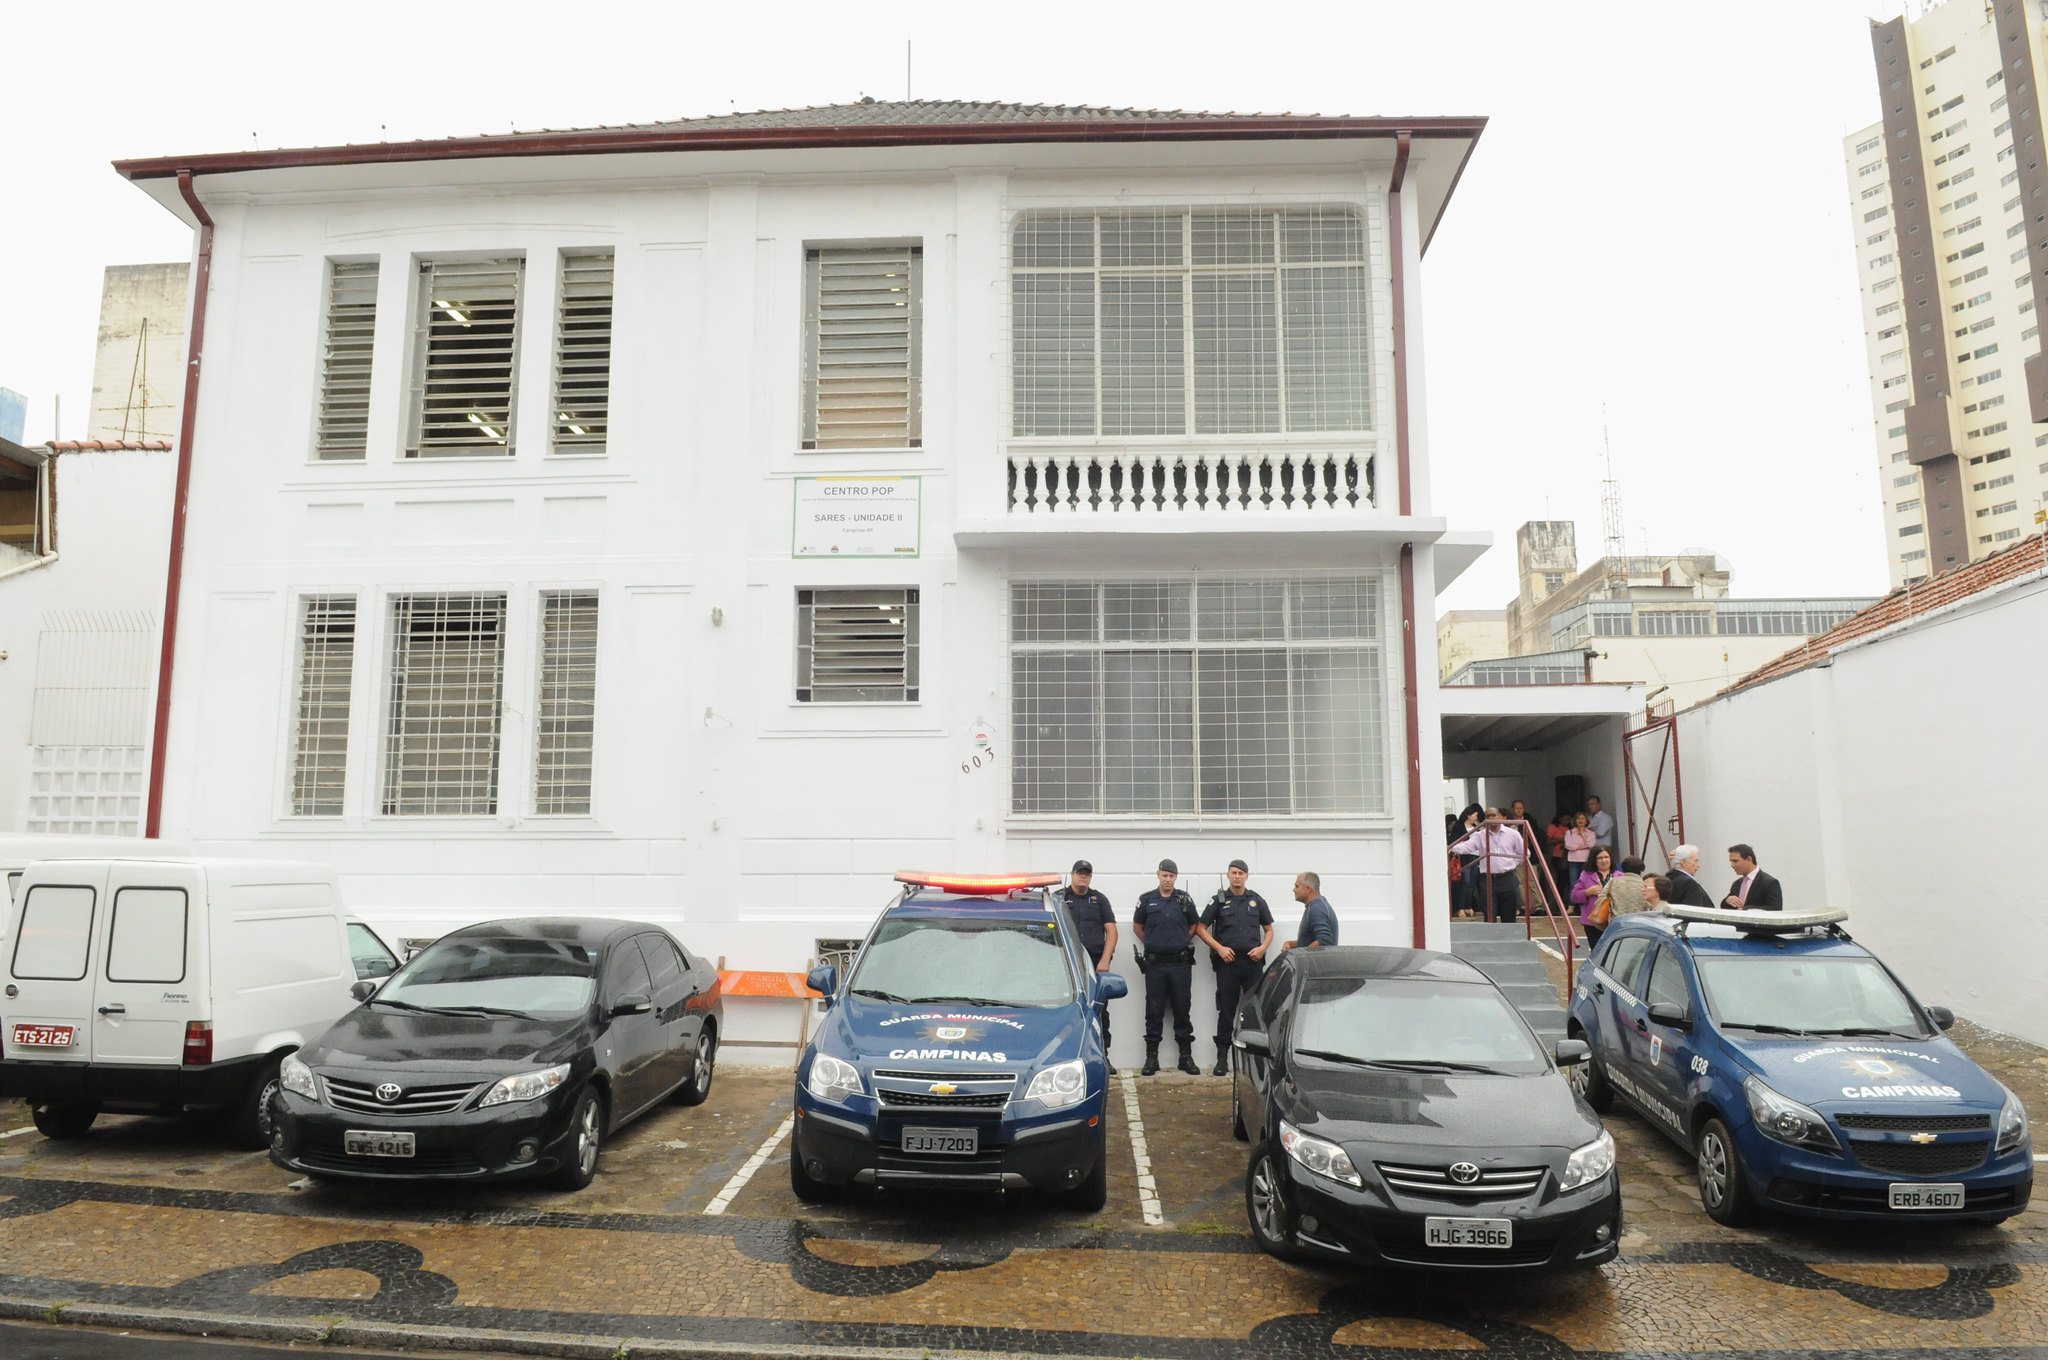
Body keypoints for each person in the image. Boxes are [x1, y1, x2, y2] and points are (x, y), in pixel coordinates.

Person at [1196, 859, 1274, 1077]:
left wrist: (1262, 948)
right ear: (1228, 875)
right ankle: (1222, 1058)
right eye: (1234, 872)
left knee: (1254, 1011)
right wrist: (1219, 948)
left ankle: (1255, 1061)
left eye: (1241, 873)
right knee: (1226, 1010)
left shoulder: (1256, 900)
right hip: (1228, 963)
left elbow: (1269, 930)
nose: (1237, 876)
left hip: (1252, 963)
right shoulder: (1219, 901)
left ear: (1247, 876)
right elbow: (1201, 929)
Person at [1131, 859, 1201, 1075]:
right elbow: (1137, 927)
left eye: (1171, 876)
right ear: (1158, 875)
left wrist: (1180, 940)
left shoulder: (1184, 899)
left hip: (1180, 964)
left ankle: (1185, 1057)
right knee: (1154, 1011)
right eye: (1164, 875)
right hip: (1155, 965)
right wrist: (1154, 943)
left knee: (1182, 1009)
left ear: (1175, 878)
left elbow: (1194, 925)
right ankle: (1152, 1058)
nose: (1168, 879)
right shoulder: (1147, 900)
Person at [1060, 860, 1119, 1076]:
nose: (1083, 877)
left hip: (1094, 963)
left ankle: (1103, 1055)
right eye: (1080, 873)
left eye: (1087, 874)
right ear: (1072, 874)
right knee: (1065, 1010)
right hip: (1065, 964)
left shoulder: (1099, 899)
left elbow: (1111, 931)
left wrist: (1105, 960)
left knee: (1099, 1010)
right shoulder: (1060, 898)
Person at [1450, 810, 1525, 925]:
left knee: (1509, 915)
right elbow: (1467, 846)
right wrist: (1451, 847)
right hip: (1488, 880)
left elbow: (1524, 852)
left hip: (1507, 877)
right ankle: (1493, 939)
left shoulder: (1512, 834)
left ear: (1499, 817)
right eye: (1488, 816)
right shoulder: (1480, 835)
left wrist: (1511, 864)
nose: (1491, 818)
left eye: (1493, 815)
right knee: (1489, 914)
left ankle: (1508, 940)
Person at [1572, 846, 1618, 947]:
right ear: (1594, 860)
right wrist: (1587, 892)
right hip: (1593, 922)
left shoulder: (1620, 876)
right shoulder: (1586, 875)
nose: (1604, 860)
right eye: (1600, 858)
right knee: (1597, 950)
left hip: (1615, 919)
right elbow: (1574, 896)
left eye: (1606, 857)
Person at [1283, 872, 1338, 952]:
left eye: (1297, 886)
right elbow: (1310, 941)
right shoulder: (1316, 906)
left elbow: (1324, 940)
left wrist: (1303, 955)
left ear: (1308, 889)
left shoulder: (1317, 909)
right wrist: (1291, 944)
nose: (1293, 890)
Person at [1724, 844, 1784, 911]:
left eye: (1735, 861)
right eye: (1731, 861)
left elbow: (1775, 909)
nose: (1732, 865)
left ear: (1749, 859)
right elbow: (1724, 907)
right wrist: (1728, 900)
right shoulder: (1737, 884)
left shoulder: (1769, 883)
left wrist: (1746, 909)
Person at [1449, 803, 1484, 918]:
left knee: (1472, 884)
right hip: (1464, 857)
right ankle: (1460, 907)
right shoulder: (1459, 827)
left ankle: (1469, 906)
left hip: (1475, 856)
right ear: (1468, 816)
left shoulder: (1477, 828)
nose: (1476, 818)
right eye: (1474, 815)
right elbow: (1455, 840)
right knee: (1465, 882)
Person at [1564, 812, 1597, 882]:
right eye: (1578, 818)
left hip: (1586, 860)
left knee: (1586, 882)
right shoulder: (1569, 832)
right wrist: (1584, 847)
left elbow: (1591, 845)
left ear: (1586, 820)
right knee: (1574, 883)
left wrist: (1583, 835)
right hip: (1573, 861)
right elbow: (1568, 845)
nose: (1580, 820)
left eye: (1582, 818)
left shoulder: (1591, 833)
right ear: (1575, 821)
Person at [1586, 795, 1616, 863]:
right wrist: (1591, 830)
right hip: (1594, 849)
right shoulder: (1592, 819)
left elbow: (1600, 833)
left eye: (1592, 804)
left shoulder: (1605, 818)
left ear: (1599, 805)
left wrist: (1588, 831)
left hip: (1603, 849)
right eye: (1589, 804)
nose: (1590, 806)